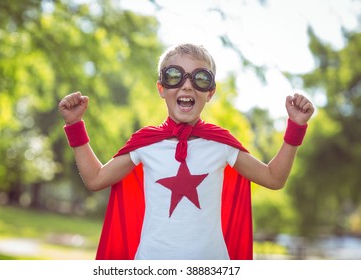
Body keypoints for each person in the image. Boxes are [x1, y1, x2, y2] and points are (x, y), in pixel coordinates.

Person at [58, 43, 314, 260]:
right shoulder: (146, 142)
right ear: (161, 88)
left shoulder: (221, 143)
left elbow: (273, 178)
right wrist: (74, 125)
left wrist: (295, 127)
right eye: (174, 76)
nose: (187, 86)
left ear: (210, 92)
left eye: (200, 78)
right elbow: (95, 179)